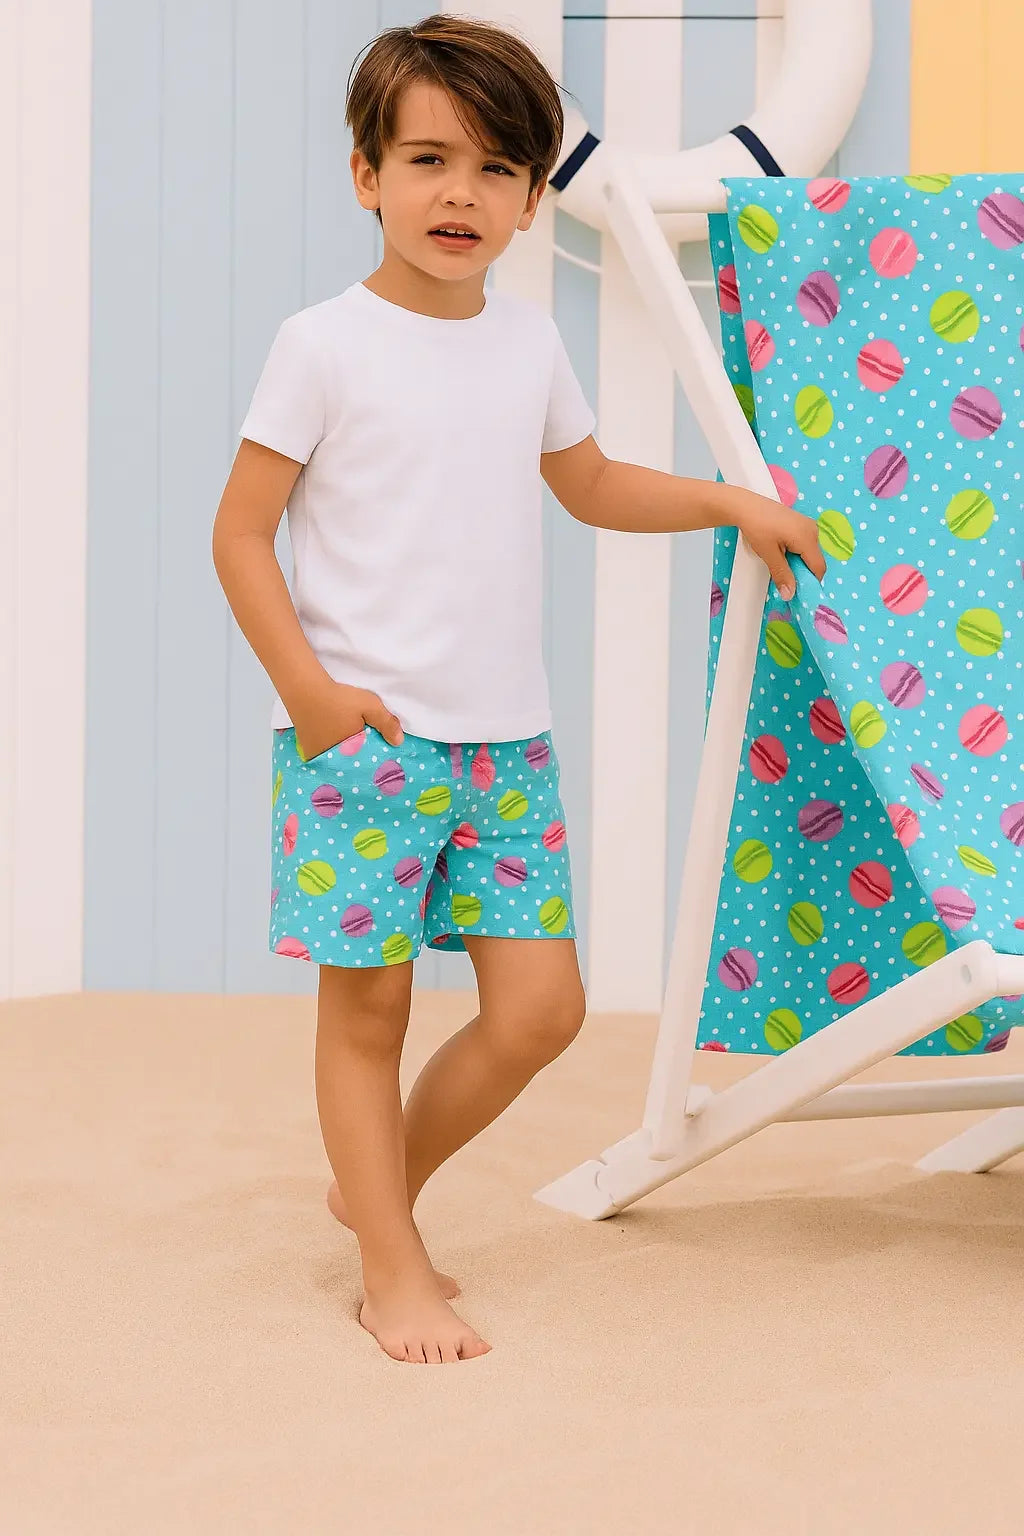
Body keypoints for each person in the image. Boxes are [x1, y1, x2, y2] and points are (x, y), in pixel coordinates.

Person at [212, 12, 824, 1367]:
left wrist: (731, 501)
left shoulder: (528, 342)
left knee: (541, 1010)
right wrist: (310, 694)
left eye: (498, 169)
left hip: (506, 747)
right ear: (366, 175)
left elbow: (589, 484)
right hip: (365, 740)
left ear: (535, 199)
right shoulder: (322, 345)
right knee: (367, 1015)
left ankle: (374, 1189)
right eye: (429, 159)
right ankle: (392, 1268)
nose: (462, 194)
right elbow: (240, 534)